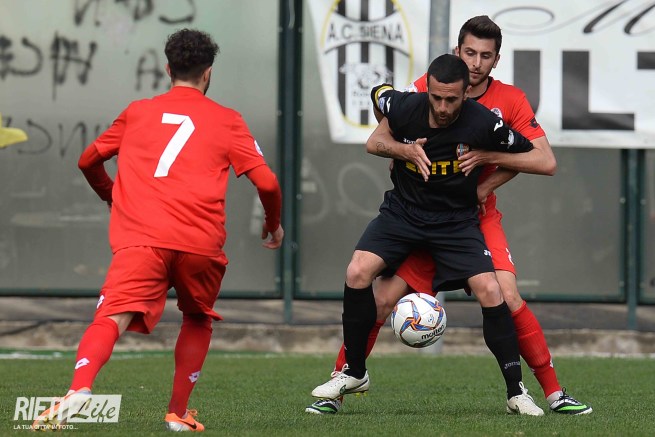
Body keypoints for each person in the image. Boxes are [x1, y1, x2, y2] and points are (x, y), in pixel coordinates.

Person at [306, 15, 591, 416]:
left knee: (505, 294)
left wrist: (486, 169)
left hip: (472, 215)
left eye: (485, 56)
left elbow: (544, 160)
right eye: (469, 52)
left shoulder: (508, 101)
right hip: (419, 211)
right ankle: (339, 387)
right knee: (381, 297)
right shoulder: (430, 87)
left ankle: (552, 393)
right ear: (456, 53)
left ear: (496, 60)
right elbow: (385, 127)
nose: (476, 62)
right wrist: (403, 150)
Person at [32, 29, 284, 432]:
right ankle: (177, 413)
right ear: (208, 73)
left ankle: (79, 387)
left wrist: (112, 195)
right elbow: (268, 183)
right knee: (197, 318)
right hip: (200, 242)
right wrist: (273, 225)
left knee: (111, 315)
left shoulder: (137, 112)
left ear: (168, 69)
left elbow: (87, 160)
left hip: (142, 239)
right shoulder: (228, 120)